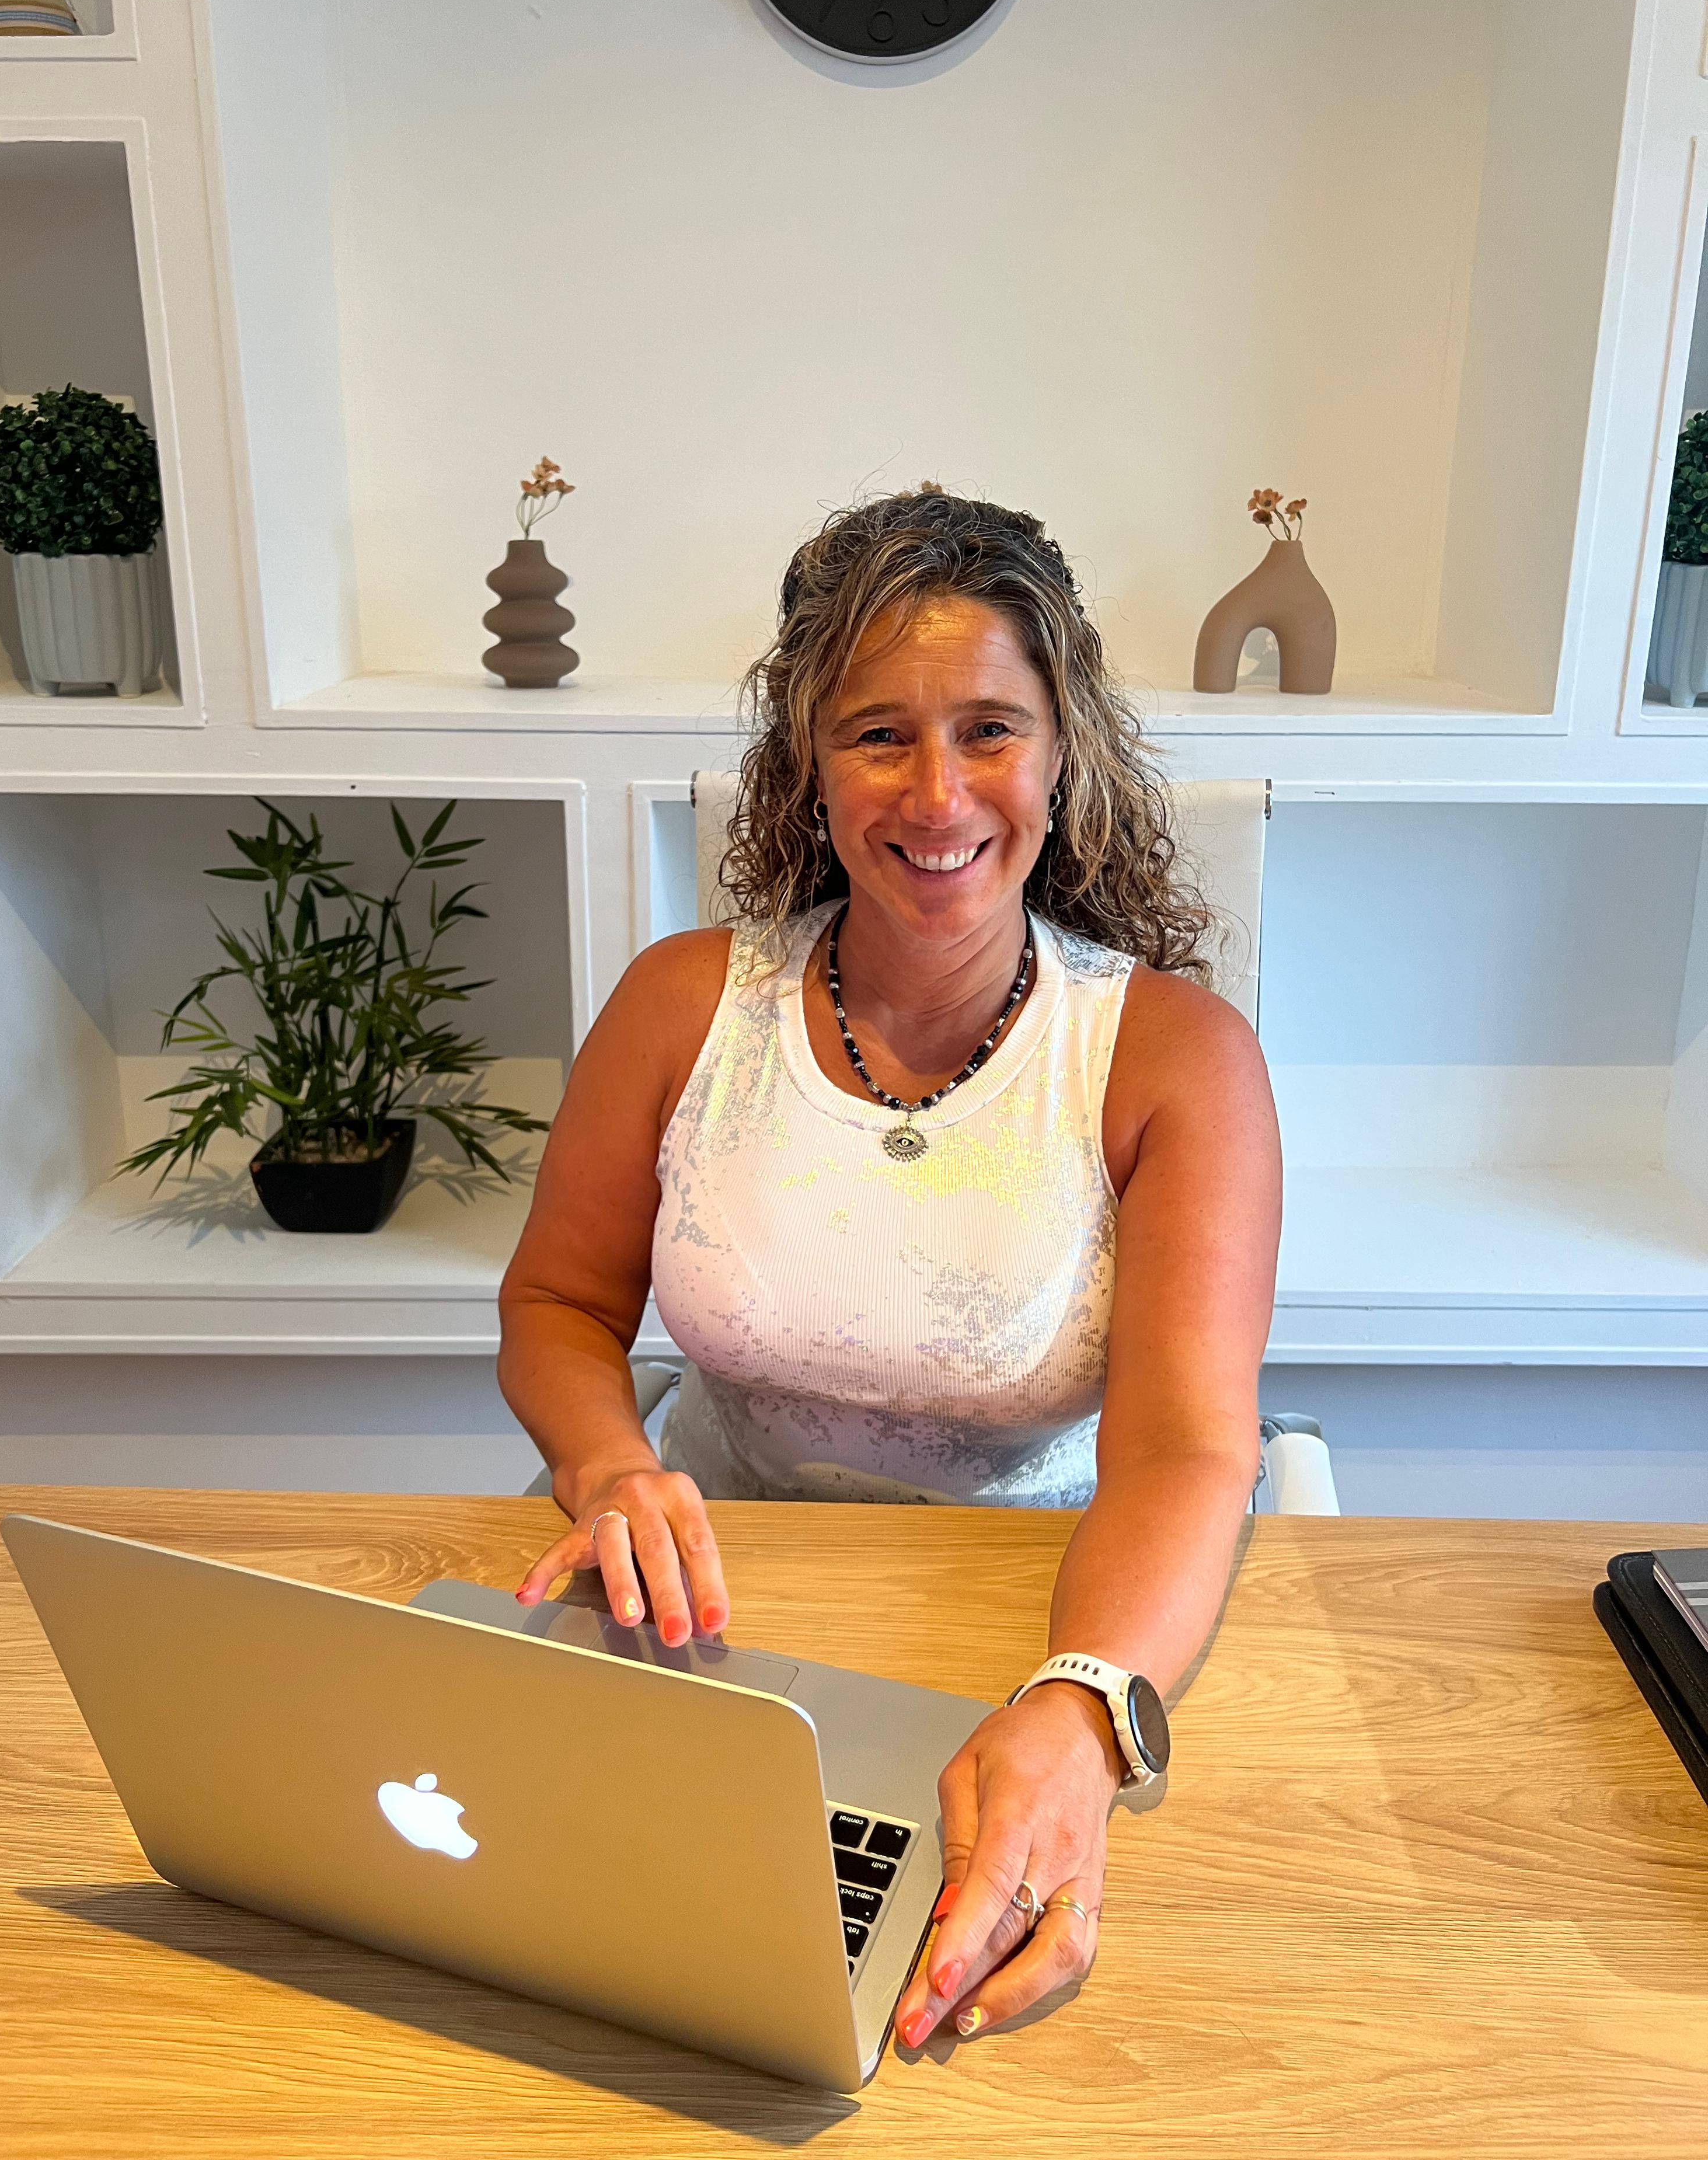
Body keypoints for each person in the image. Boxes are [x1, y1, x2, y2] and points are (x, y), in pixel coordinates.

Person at [498, 488, 1280, 2050]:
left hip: (1046, 1614)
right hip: (705, 1616)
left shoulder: (1175, 1059)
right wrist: (608, 1466)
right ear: (809, 761)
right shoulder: (679, 1005)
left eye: (990, 729)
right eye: (878, 736)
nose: (938, 792)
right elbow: (559, 1308)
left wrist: (1083, 1705)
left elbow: (1189, 1451)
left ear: (1063, 753)